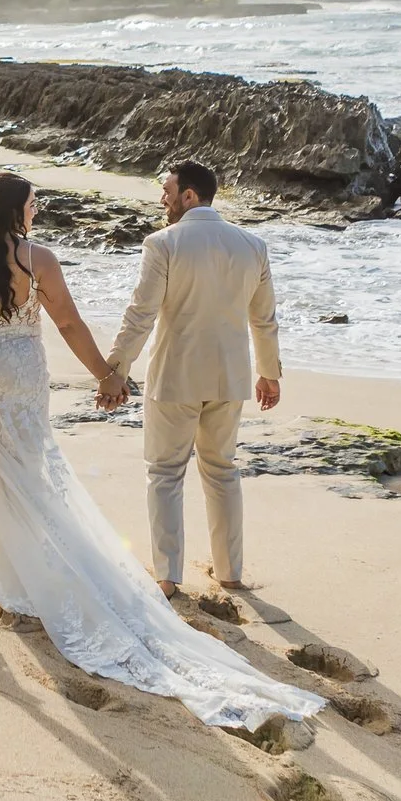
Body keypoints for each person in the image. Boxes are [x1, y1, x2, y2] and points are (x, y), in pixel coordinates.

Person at [0, 171, 322, 732]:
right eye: (33, 204)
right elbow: (68, 322)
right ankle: (214, 569)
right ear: (15, 210)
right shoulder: (39, 259)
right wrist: (107, 375)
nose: (37, 211)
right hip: (25, 372)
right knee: (33, 470)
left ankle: (4, 559)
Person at [98, 159, 281, 596]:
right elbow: (265, 320)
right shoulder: (252, 245)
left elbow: (141, 313)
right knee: (222, 472)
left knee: (164, 473)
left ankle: (167, 577)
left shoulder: (163, 243)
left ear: (190, 196)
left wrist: (114, 369)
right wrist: (268, 374)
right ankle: (230, 573)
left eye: (167, 191)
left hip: (175, 377)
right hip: (229, 377)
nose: (162, 199)